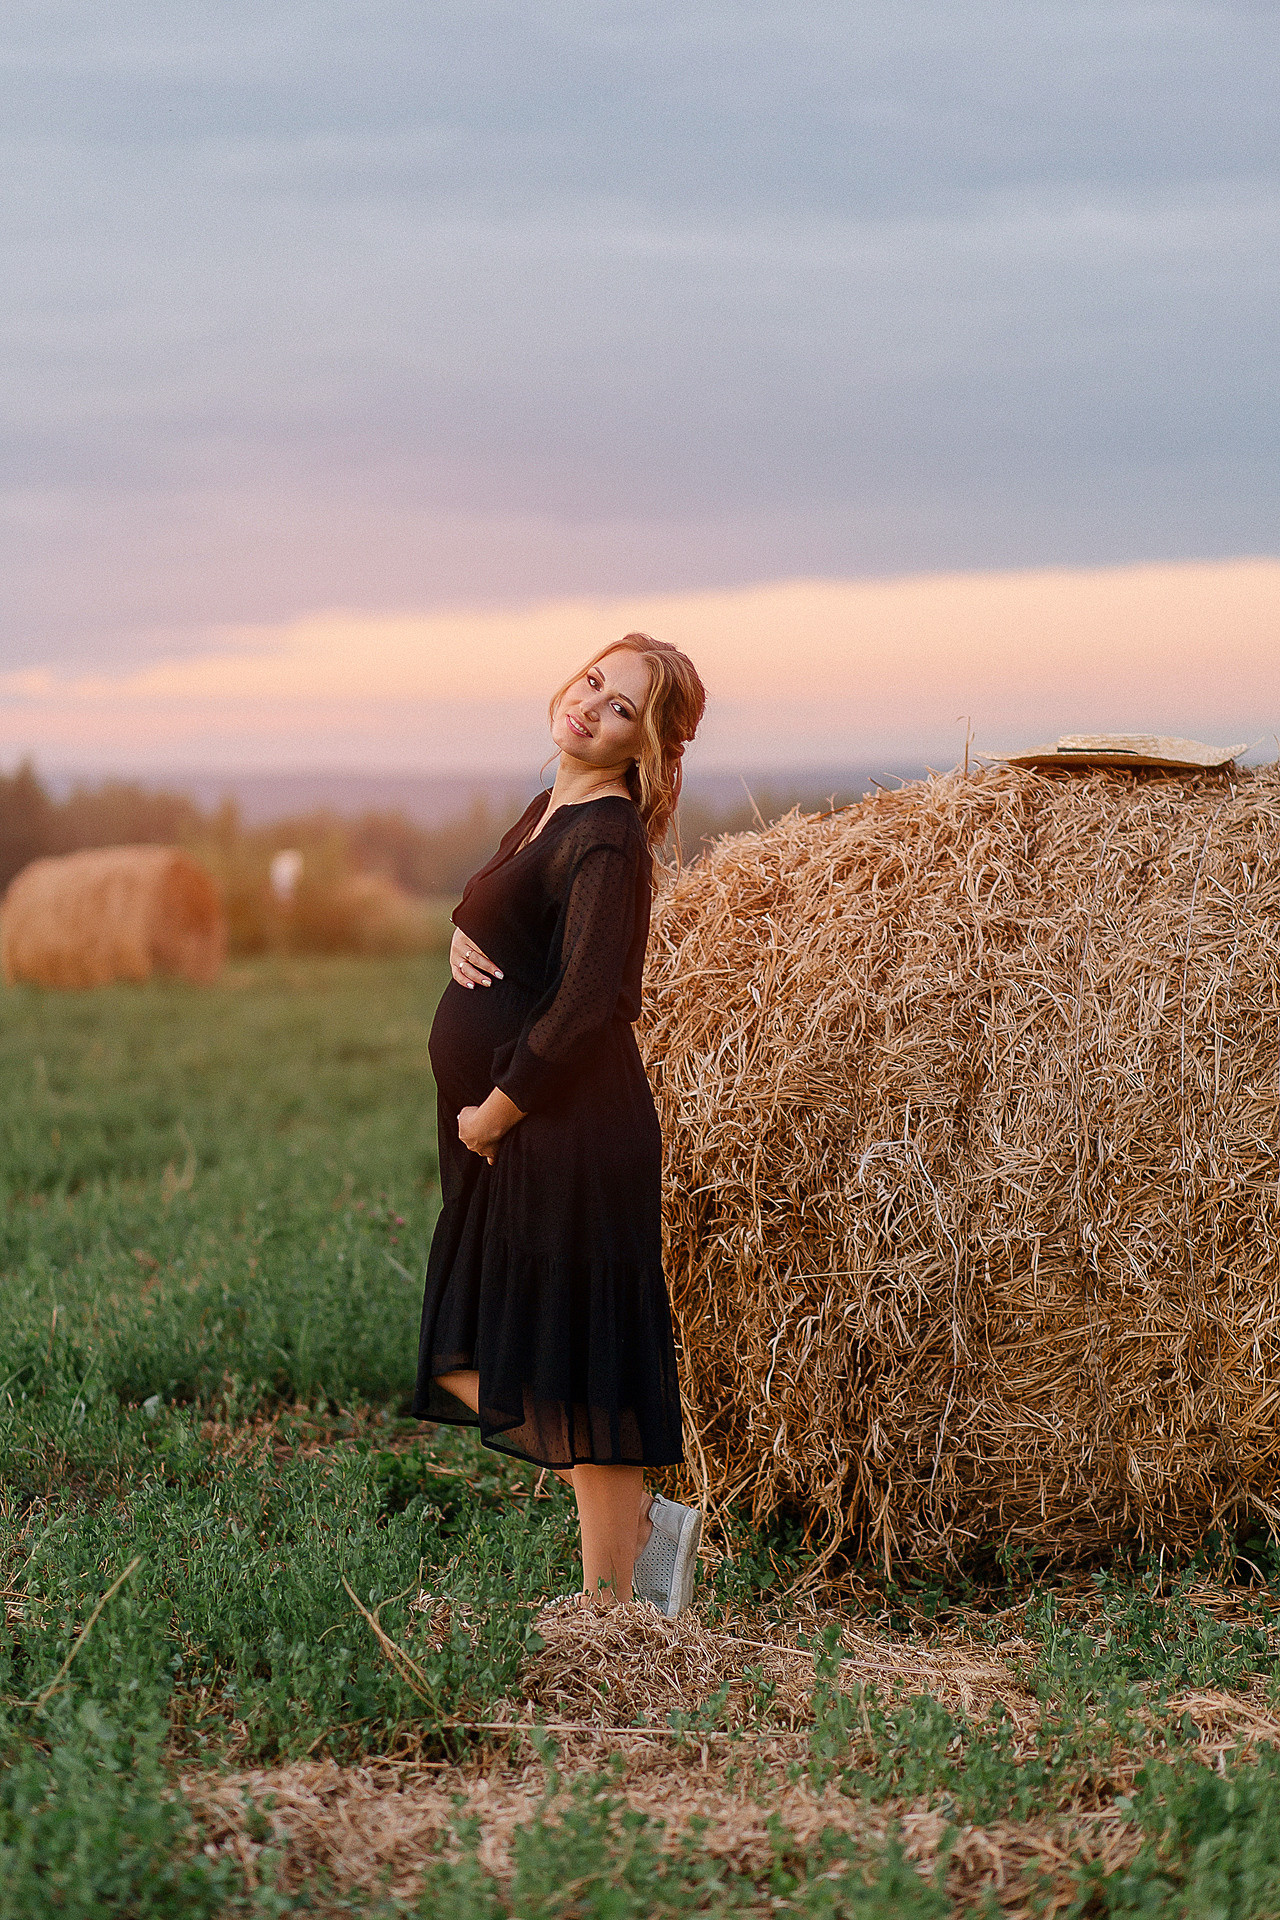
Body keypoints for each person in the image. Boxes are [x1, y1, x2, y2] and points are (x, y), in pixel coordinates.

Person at [413, 632, 707, 1613]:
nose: (590, 705)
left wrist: (497, 1110)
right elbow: (512, 910)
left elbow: (592, 1001)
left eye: (620, 707)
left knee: (576, 1371)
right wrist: (468, 922)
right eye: (592, 681)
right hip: (521, 1138)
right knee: (482, 1354)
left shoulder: (609, 837)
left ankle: (610, 1614)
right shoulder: (554, 803)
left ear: (645, 747)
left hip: (568, 1134)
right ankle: (639, 1530)